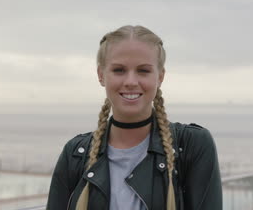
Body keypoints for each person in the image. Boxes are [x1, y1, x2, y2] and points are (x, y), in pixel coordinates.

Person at [46, 25, 222, 210]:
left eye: (143, 71)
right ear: (101, 75)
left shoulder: (192, 145)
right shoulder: (75, 154)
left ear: (160, 77)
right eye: (119, 70)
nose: (130, 82)